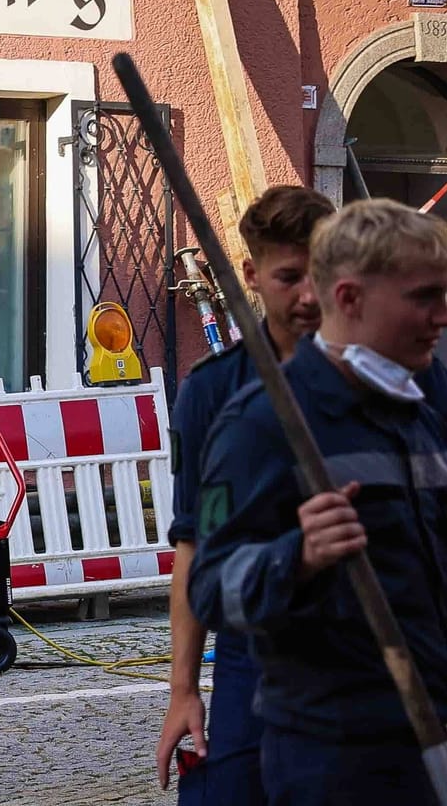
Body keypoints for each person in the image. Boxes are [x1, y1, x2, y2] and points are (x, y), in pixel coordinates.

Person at [189, 199, 447, 805]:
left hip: (431, 733)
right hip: (339, 756)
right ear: (352, 299)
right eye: (423, 298)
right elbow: (211, 585)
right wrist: (295, 557)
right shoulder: (262, 423)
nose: (441, 316)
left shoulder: (423, 405)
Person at [157, 185, 333, 800]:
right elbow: (194, 542)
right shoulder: (211, 392)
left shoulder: (377, 375)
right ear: (253, 276)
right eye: (290, 278)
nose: (310, 295)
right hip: (254, 645)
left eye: (323, 273)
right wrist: (183, 690)